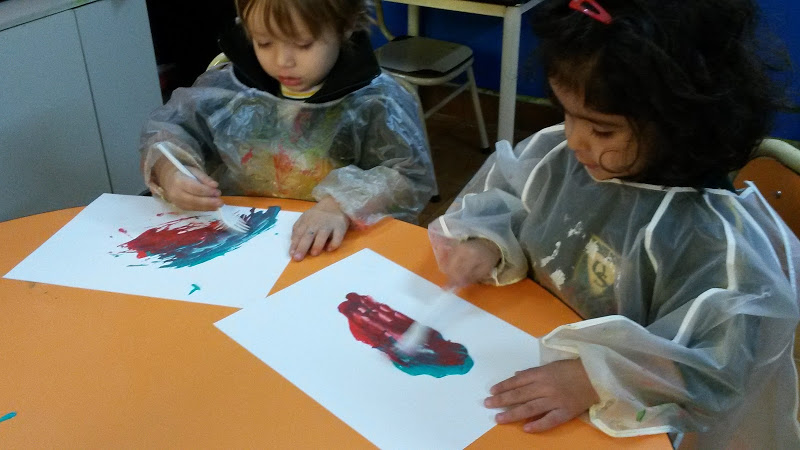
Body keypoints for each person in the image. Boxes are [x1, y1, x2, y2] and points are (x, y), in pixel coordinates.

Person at [428, 0, 800, 447]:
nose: (574, 139)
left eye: (602, 131)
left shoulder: (711, 238)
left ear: (681, 122)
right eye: (566, 114)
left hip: (623, 420)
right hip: (520, 352)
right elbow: (507, 197)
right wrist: (487, 241)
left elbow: (714, 369)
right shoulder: (558, 156)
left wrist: (599, 378)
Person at [139, 0, 436, 261]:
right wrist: (171, 170)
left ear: (345, 27)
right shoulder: (228, 87)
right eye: (264, 42)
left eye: (303, 44)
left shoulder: (377, 102)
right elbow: (171, 129)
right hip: (241, 244)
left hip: (335, 248)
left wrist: (340, 205)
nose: (283, 61)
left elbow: (408, 176)